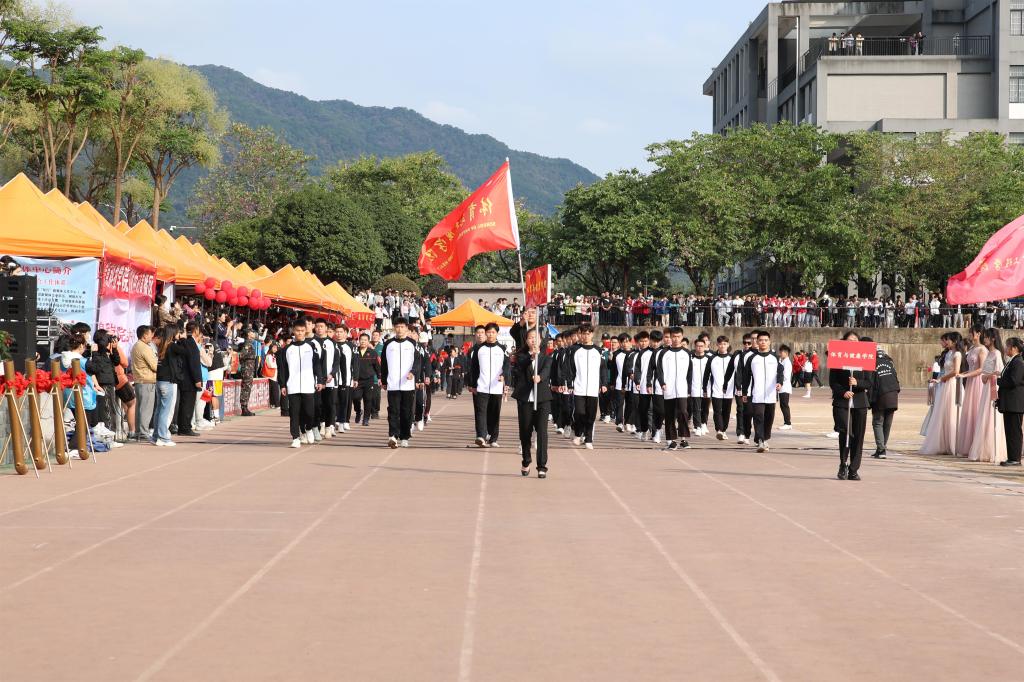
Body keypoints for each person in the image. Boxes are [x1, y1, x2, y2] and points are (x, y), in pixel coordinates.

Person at [830, 331, 873, 480]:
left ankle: (854, 469)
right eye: (849, 340)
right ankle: (843, 464)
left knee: (858, 437)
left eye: (855, 340)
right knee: (846, 433)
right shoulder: (837, 358)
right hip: (842, 402)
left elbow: (869, 382)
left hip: (860, 402)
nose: (852, 342)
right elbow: (833, 382)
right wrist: (843, 392)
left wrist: (857, 383)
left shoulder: (865, 359)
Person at [513, 328, 552, 477]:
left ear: (541, 341)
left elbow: (547, 371)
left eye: (536, 338)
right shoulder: (521, 357)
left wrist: (540, 377)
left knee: (542, 432)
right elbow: (520, 369)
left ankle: (542, 465)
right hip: (525, 399)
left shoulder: (547, 358)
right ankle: (526, 460)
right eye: (530, 338)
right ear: (526, 341)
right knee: (525, 431)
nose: (533, 340)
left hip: (542, 399)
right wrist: (531, 358)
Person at [919, 332, 963, 456]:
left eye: (948, 340)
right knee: (942, 413)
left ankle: (953, 443)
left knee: (951, 412)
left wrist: (941, 379)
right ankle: (943, 443)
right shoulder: (948, 353)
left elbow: (956, 371)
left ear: (954, 341)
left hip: (952, 384)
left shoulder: (957, 354)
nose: (946, 342)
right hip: (945, 384)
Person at [566, 323, 608, 449]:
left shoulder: (598, 351)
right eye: (583, 333)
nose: (586, 336)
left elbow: (603, 369)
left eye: (588, 333)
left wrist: (604, 384)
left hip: (593, 388)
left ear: (592, 334)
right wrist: (569, 383)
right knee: (579, 412)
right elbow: (570, 369)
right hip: (579, 387)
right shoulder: (574, 350)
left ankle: (588, 438)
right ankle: (578, 434)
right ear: (580, 334)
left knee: (591, 415)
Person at [381, 318, 421, 448]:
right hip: (392, 384)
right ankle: (392, 435)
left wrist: (413, 372)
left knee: (406, 412)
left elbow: (417, 362)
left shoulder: (412, 343)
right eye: (397, 327)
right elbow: (384, 363)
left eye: (402, 327)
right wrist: (383, 380)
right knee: (393, 410)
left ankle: (404, 436)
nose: (399, 329)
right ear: (394, 328)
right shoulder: (388, 344)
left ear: (407, 329)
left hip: (407, 384)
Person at [468, 322, 509, 448]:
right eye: (488, 332)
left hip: (497, 387)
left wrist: (505, 377)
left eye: (493, 332)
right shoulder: (479, 349)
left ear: (497, 333)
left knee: (494, 413)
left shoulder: (502, 349)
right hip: (482, 386)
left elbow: (507, 367)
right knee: (481, 412)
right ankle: (481, 435)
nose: (490, 334)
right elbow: (474, 368)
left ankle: (493, 438)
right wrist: (472, 384)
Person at [742, 330, 783, 453]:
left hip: (771, 394)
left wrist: (780, 382)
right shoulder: (752, 358)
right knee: (758, 416)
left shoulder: (775, 357)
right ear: (757, 342)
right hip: (757, 394)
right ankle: (760, 440)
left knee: (769, 418)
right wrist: (744, 392)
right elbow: (746, 376)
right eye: (760, 340)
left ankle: (765, 438)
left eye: (765, 340)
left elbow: (780, 372)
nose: (763, 342)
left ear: (769, 342)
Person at [969, 328, 1006, 463]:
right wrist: (985, 376)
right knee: (984, 416)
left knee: (991, 416)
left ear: (993, 339)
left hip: (992, 387)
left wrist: (988, 376)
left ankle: (992, 449)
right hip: (985, 387)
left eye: (987, 337)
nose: (985, 340)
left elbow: (1000, 372)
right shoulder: (989, 353)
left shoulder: (996, 353)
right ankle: (983, 448)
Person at [656, 327, 692, 450]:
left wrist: (689, 387)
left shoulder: (687, 353)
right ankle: (671, 440)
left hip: (682, 388)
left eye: (678, 336)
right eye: (674, 336)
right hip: (669, 388)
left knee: (683, 412)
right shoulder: (664, 353)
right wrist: (662, 383)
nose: (676, 339)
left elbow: (690, 372)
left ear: (682, 337)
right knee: (670, 414)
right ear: (670, 337)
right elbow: (659, 370)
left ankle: (683, 438)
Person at [956, 324, 988, 456]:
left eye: (972, 333)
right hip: (970, 382)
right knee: (969, 412)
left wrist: (965, 375)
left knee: (976, 411)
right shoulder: (972, 348)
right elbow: (971, 367)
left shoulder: (982, 350)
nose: (970, 335)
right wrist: (965, 374)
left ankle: (977, 445)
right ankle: (969, 445)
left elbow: (981, 369)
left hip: (978, 382)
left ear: (978, 333)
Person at [152, 327, 182, 447]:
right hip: (167, 382)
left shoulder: (161, 346)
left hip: (160, 381)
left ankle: (156, 436)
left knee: (159, 409)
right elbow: (186, 351)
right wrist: (183, 339)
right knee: (165, 410)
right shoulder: (172, 346)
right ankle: (163, 437)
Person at [870, 345, 900, 460]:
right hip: (893, 394)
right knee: (887, 423)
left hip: (880, 395)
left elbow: (872, 381)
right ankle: (881, 448)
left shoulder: (872, 363)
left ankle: (881, 449)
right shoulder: (890, 362)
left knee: (878, 422)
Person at [997, 337, 1024, 467]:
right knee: (1010, 430)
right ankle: (1012, 457)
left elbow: (1014, 380)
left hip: (1015, 403)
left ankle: (1016, 458)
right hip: (1009, 402)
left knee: (1014, 431)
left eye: (1008, 346)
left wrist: (999, 381)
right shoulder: (1012, 361)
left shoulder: (1018, 362)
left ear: (1014, 348)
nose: (1006, 348)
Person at [175, 322, 203, 438]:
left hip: (185, 377)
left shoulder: (186, 342)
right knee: (187, 404)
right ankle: (185, 427)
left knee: (186, 403)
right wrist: (197, 379)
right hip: (189, 379)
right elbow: (193, 363)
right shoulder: (190, 343)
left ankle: (184, 426)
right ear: (196, 330)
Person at [131, 325, 158, 442]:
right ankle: (143, 433)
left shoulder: (136, 346)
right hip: (146, 380)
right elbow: (155, 365)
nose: (152, 336)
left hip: (139, 380)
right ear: (144, 335)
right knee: (146, 408)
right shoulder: (144, 347)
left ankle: (139, 432)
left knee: (141, 408)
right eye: (150, 334)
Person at [705, 335, 735, 440]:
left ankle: (723, 430)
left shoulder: (732, 358)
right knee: (717, 411)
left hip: (729, 390)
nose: (722, 346)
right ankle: (719, 430)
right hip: (716, 390)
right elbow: (706, 374)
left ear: (728, 345)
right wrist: (705, 387)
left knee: (726, 412)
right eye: (720, 344)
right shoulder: (712, 358)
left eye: (725, 344)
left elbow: (737, 374)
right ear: (717, 345)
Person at [352, 332, 380, 425]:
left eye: (365, 340)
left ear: (368, 342)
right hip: (357, 380)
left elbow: (377, 367)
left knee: (368, 399)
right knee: (356, 398)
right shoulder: (355, 351)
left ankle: (366, 419)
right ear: (359, 341)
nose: (363, 342)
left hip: (369, 380)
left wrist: (380, 378)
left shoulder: (372, 353)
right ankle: (358, 411)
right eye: (361, 340)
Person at [733, 333, 755, 444]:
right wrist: (737, 386)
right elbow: (737, 372)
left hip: (754, 390)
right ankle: (740, 433)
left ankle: (748, 434)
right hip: (741, 388)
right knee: (740, 410)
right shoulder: (738, 355)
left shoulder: (756, 355)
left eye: (749, 343)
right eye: (745, 343)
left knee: (750, 413)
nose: (747, 345)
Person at [689, 337, 711, 436]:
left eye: (701, 346)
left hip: (707, 387)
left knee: (705, 407)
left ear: (705, 346)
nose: (699, 348)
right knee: (696, 407)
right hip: (694, 386)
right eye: (697, 346)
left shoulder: (709, 359)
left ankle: (703, 423)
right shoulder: (691, 359)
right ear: (695, 346)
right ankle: (697, 426)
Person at [237, 327, 257, 417]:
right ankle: (244, 408)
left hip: (249, 368)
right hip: (247, 369)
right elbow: (242, 355)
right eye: (252, 332)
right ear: (248, 334)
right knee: (246, 388)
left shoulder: (250, 343)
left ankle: (245, 407)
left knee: (247, 388)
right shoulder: (247, 343)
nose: (254, 334)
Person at [777, 344, 793, 430]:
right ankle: (786, 422)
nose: (780, 353)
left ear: (786, 353)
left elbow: (786, 376)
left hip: (784, 387)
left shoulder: (787, 362)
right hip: (782, 387)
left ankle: (788, 423)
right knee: (783, 405)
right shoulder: (782, 361)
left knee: (784, 405)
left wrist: (779, 381)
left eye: (782, 352)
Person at [264, 341, 280, 409]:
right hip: (270, 375)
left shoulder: (274, 355)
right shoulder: (268, 356)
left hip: (274, 375)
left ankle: (272, 404)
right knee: (275, 390)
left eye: (276, 348)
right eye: (274, 348)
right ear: (270, 348)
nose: (275, 349)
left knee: (273, 390)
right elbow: (270, 365)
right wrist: (278, 365)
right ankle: (277, 404)